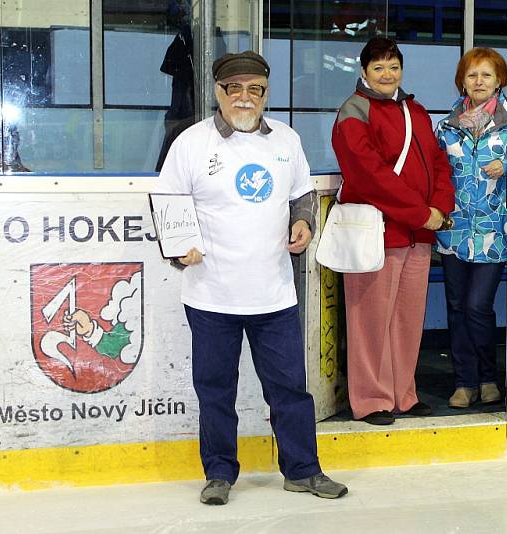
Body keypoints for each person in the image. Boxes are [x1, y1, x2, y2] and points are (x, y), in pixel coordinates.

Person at [156, 51, 347, 505]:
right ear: (219, 92)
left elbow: (301, 192)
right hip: (210, 295)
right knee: (216, 390)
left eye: (255, 89)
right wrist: (180, 252)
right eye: (235, 88)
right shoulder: (191, 143)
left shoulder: (285, 140)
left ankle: (303, 470)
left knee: (290, 391)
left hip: (274, 295)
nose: (245, 98)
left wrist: (303, 221)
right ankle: (219, 473)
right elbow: (168, 206)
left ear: (265, 93)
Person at [331, 37, 455, 426]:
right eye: (379, 67)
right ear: (364, 71)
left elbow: (437, 163)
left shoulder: (416, 111)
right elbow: (368, 175)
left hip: (417, 234)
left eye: (394, 66)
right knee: (370, 320)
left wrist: (440, 208)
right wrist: (422, 213)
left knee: (406, 318)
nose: (387, 74)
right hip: (379, 233)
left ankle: (404, 392)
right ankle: (371, 399)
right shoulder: (354, 110)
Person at [436, 47, 507, 409]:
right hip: (453, 230)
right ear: (462, 81)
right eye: (472, 75)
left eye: (486, 75)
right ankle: (464, 382)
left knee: (477, 306)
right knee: (456, 306)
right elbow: (437, 173)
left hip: (494, 231)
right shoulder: (447, 124)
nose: (479, 81)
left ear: (499, 79)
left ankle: (488, 376)